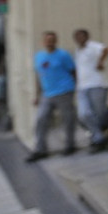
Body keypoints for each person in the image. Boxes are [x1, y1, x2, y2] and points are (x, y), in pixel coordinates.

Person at [28, 31, 77, 162]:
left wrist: (74, 88)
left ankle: (69, 145)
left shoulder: (63, 55)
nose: (49, 42)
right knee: (41, 119)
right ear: (43, 42)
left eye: (52, 40)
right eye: (47, 40)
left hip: (64, 91)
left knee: (67, 119)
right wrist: (37, 94)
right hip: (47, 93)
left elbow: (73, 71)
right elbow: (38, 76)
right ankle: (40, 149)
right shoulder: (39, 56)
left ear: (56, 41)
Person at [73, 29, 108, 152]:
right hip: (82, 87)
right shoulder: (78, 51)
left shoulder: (93, 46)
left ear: (87, 36)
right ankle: (99, 136)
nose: (79, 38)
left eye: (81, 36)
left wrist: (100, 61)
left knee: (99, 113)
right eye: (77, 36)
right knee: (84, 114)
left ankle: (99, 138)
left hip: (97, 84)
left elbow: (106, 49)